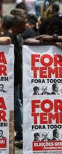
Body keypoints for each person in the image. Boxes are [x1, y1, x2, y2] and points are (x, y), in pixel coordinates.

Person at [2, 14, 25, 144]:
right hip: (12, 78)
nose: (25, 27)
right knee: (16, 104)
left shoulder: (13, 37)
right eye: (23, 25)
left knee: (16, 103)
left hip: (14, 78)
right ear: (16, 25)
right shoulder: (10, 37)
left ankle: (20, 131)